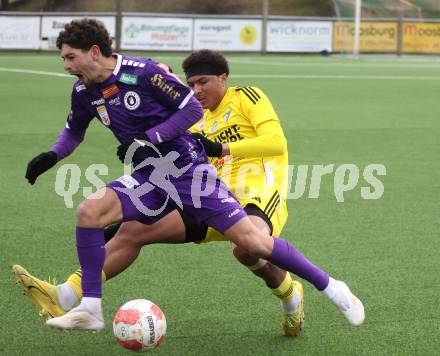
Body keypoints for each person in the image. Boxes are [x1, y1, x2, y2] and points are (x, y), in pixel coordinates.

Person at [16, 19, 364, 333]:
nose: (66, 66)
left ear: (93, 51)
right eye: (191, 82)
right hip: (156, 178)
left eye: (70, 57)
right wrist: (52, 155)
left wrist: (176, 143)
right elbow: (76, 130)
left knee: (251, 247)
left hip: (221, 184)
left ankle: (332, 288)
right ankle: (84, 302)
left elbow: (267, 139)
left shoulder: (187, 83)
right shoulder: (84, 91)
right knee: (97, 215)